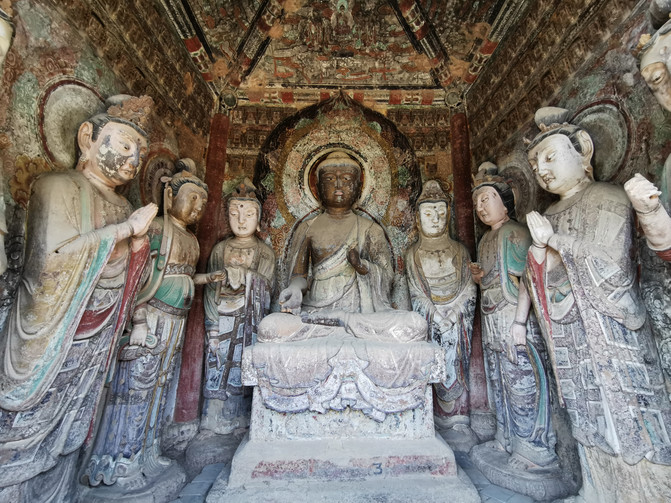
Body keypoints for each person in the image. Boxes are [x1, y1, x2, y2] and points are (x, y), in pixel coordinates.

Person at [0, 95, 157, 498]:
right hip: (53, 327)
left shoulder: (125, 205)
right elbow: (51, 261)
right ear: (87, 137)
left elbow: (134, 276)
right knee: (28, 425)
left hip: (100, 330)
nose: (134, 158)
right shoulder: (58, 186)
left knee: (76, 417)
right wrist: (127, 231)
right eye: (125, 145)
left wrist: (140, 245)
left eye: (140, 153)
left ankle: (61, 492)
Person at [525, 107, 671, 502]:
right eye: (536, 165)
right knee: (586, 413)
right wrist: (537, 249)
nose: (543, 171)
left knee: (627, 415)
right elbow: (539, 277)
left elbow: (612, 268)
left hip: (611, 329)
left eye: (550, 157)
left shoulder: (608, 197)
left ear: (584, 150)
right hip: (570, 331)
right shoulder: (548, 214)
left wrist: (553, 241)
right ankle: (596, 489)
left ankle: (646, 494)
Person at [84, 165, 214, 489]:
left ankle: (149, 452)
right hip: (151, 318)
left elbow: (186, 276)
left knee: (162, 384)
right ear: (170, 196)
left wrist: (207, 278)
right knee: (135, 386)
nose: (197, 207)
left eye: (202, 202)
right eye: (192, 198)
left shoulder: (193, 240)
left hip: (177, 321)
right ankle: (119, 460)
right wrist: (139, 319)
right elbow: (137, 275)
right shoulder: (156, 229)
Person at [259, 150, 426, 343]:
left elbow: (388, 277)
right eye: (329, 179)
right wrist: (295, 290)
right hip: (316, 314)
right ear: (317, 187)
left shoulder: (370, 229)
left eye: (346, 179)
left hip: (360, 316)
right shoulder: (308, 228)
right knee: (269, 327)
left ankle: (343, 326)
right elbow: (299, 276)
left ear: (358, 187)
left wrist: (361, 266)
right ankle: (339, 328)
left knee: (415, 324)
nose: (338, 185)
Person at [470, 164, 557, 469]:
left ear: (505, 202)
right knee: (497, 379)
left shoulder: (516, 233)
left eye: (486, 199)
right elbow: (493, 277)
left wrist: (520, 322)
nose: (481, 207)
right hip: (492, 316)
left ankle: (532, 448)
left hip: (513, 318)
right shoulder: (485, 239)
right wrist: (480, 277)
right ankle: (505, 436)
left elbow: (528, 281)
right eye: (477, 202)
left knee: (521, 381)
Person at [201, 178, 275, 434]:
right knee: (216, 364)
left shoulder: (264, 253)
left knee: (243, 368)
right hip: (221, 317)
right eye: (234, 214)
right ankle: (212, 420)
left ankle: (242, 418)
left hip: (249, 320)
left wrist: (244, 275)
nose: (241, 221)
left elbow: (268, 289)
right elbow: (210, 290)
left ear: (259, 219)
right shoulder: (220, 249)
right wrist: (212, 327)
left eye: (249, 214)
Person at [405, 180, 476, 428]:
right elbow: (415, 293)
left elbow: (469, 288)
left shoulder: (460, 250)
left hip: (457, 318)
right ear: (417, 218)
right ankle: (434, 418)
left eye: (440, 212)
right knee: (430, 359)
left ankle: (459, 418)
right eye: (428, 213)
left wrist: (454, 314)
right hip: (431, 317)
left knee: (455, 361)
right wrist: (435, 316)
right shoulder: (413, 254)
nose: (435, 219)